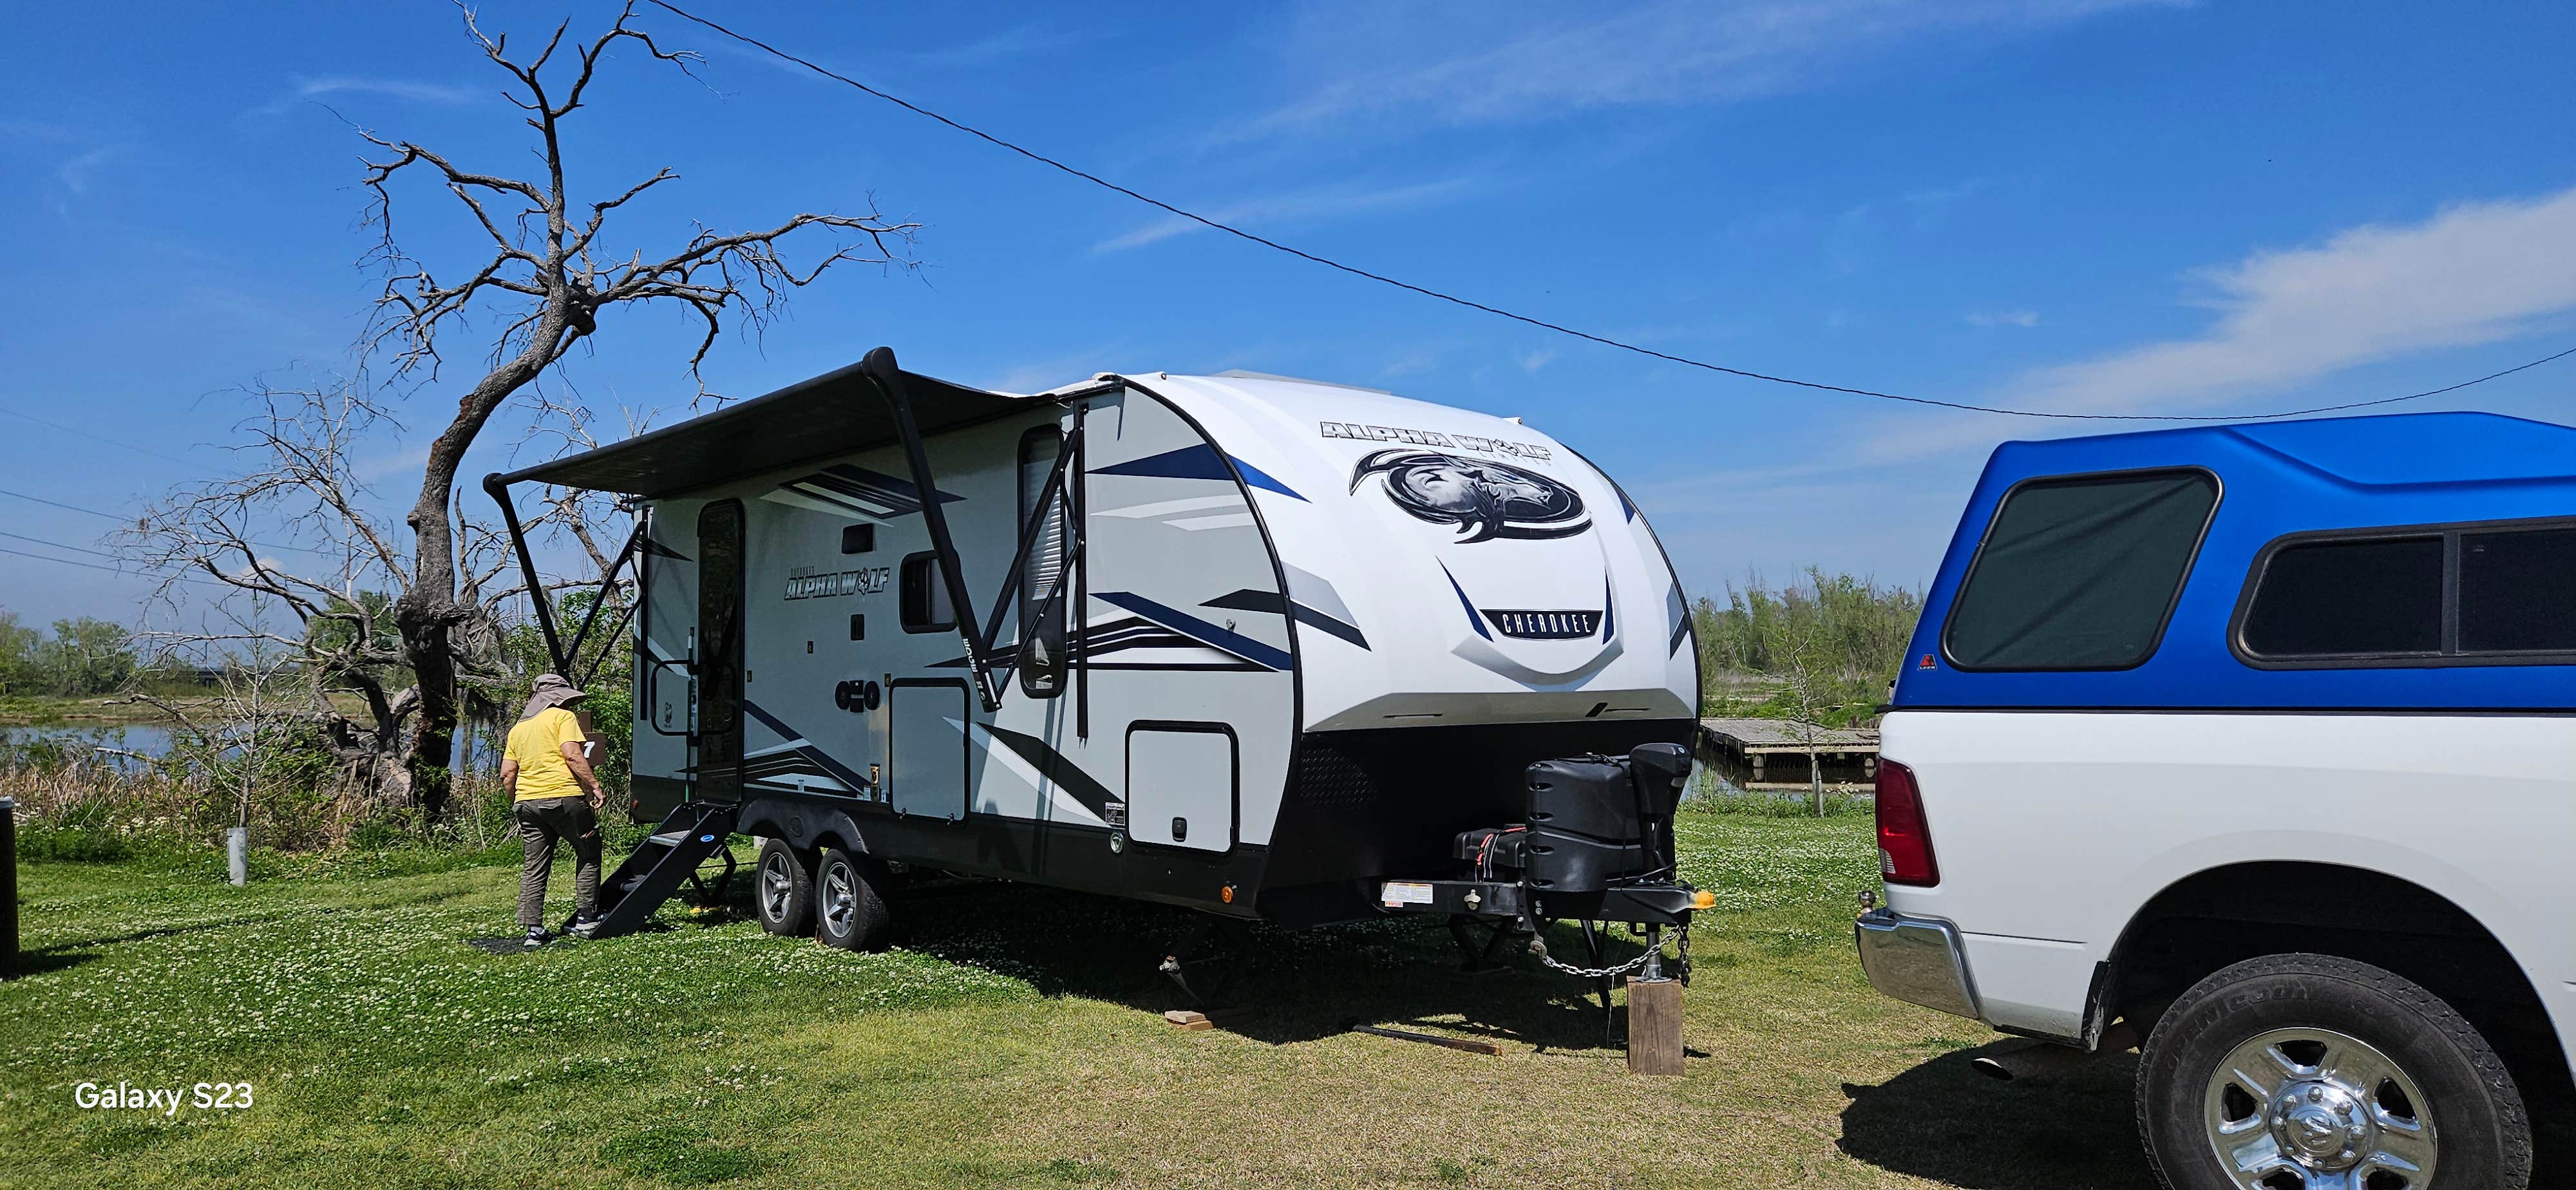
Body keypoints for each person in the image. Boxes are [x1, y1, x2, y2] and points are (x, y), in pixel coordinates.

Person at [501, 674, 603, 946]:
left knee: (534, 866)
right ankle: (586, 918)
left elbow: (507, 774)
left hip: (527, 804)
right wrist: (593, 784)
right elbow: (572, 754)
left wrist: (517, 801)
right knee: (588, 852)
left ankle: (534, 931)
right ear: (558, 699)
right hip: (564, 798)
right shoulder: (563, 718)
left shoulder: (518, 730)